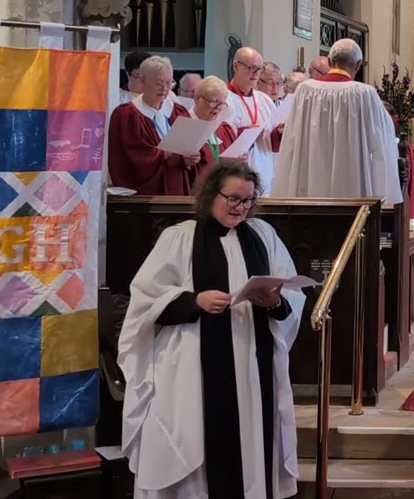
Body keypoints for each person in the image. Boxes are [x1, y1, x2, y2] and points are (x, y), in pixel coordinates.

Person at [118, 162, 304, 498]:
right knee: (196, 441)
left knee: (253, 439)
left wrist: (275, 302)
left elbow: (290, 292)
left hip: (253, 361)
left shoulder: (263, 235)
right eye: (232, 198)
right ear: (210, 194)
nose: (240, 208)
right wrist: (194, 300)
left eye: (247, 201)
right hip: (195, 361)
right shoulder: (180, 237)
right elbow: (145, 300)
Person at [272, 38, 403, 206]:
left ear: (329, 61)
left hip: (310, 185)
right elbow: (383, 142)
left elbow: (291, 138)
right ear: (358, 65)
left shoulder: (305, 90)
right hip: (352, 186)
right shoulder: (365, 94)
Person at [108, 56, 198, 194]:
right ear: (142, 82)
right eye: (158, 83)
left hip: (176, 189)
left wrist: (190, 160)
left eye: (169, 82)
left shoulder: (179, 113)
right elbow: (131, 158)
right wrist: (166, 153)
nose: (164, 88)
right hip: (145, 194)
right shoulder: (126, 115)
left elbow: (188, 152)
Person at [227, 47, 280, 194]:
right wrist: (249, 135)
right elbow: (221, 139)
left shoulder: (264, 100)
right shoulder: (224, 99)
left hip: (265, 174)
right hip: (238, 178)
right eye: (252, 68)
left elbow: (274, 140)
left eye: (259, 69)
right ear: (236, 66)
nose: (256, 73)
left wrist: (281, 132)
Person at [192, 76, 242, 175]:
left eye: (221, 103)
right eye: (213, 102)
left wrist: (239, 159)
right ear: (197, 99)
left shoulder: (224, 129)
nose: (217, 108)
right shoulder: (186, 128)